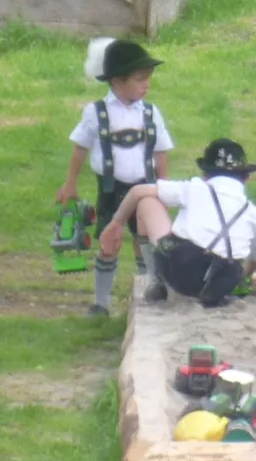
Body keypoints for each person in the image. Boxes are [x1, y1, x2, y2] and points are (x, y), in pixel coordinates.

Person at [56, 38, 173, 316]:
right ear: (117, 82)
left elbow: (160, 152)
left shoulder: (150, 112)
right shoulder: (96, 113)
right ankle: (101, 303)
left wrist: (165, 187)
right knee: (110, 243)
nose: (147, 85)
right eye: (140, 79)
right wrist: (70, 182)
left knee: (145, 240)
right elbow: (80, 148)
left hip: (145, 189)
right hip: (111, 189)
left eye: (148, 79)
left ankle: (151, 291)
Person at [98, 138, 256, 310]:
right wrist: (246, 276)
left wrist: (117, 223)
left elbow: (137, 191)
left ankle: (157, 281)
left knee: (146, 202)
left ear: (206, 174)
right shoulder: (251, 211)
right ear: (246, 178)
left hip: (182, 271)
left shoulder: (194, 187)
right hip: (221, 284)